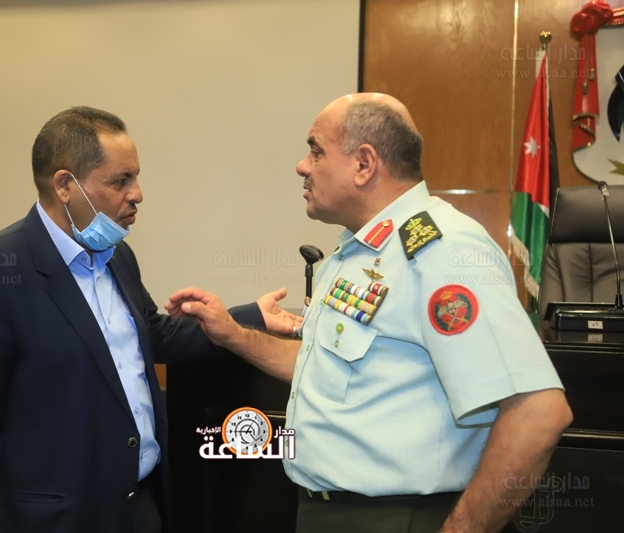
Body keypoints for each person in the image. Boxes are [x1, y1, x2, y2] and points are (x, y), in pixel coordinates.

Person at [167, 93, 573, 533]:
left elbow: (538, 411)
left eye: (315, 151)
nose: (302, 166)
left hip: (398, 516)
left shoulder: (443, 250)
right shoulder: (357, 250)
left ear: (364, 164)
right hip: (327, 511)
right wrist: (233, 333)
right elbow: (320, 364)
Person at [0, 106, 294, 533]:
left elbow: (149, 334)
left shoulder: (116, 255)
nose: (137, 194)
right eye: (121, 181)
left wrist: (248, 319)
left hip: (138, 506)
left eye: (136, 177)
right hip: (52, 520)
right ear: (65, 185)